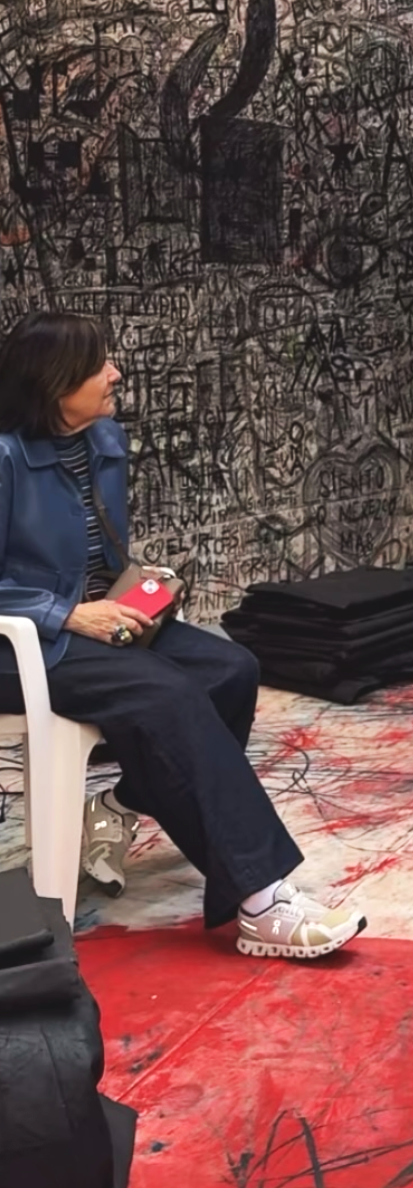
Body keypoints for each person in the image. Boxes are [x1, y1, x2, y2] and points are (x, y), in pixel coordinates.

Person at [0, 311, 365, 960]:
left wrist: (137, 588)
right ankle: (262, 902)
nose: (116, 373)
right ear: (55, 383)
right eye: (98, 365)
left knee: (231, 669)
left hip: (98, 621)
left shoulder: (103, 439)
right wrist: (66, 614)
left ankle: (120, 802)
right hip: (23, 644)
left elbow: (95, 552)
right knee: (165, 693)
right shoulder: (4, 457)